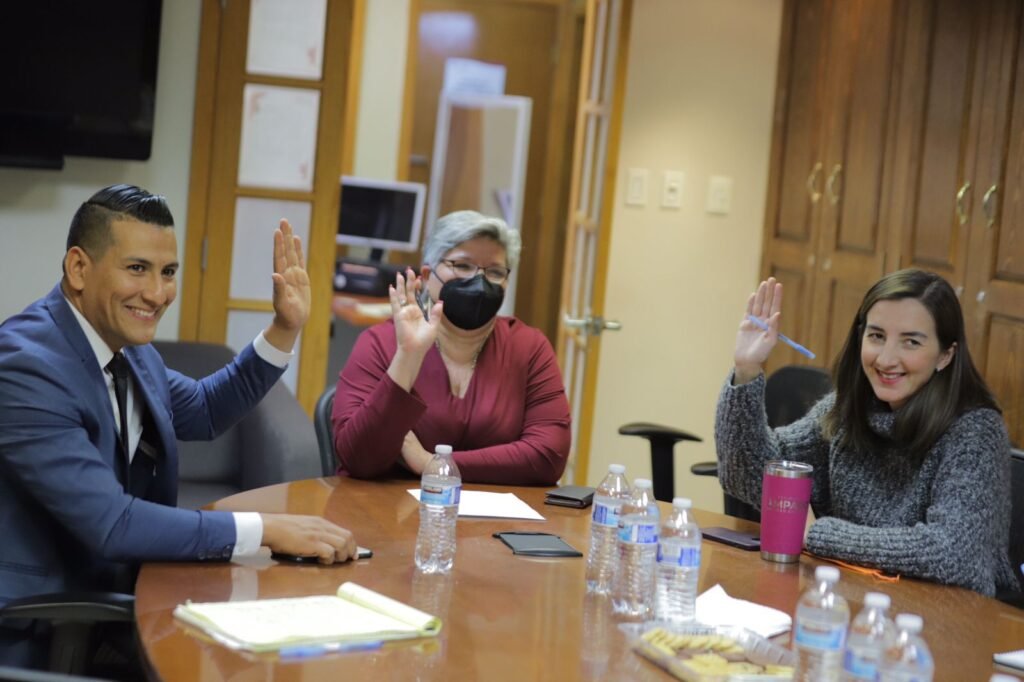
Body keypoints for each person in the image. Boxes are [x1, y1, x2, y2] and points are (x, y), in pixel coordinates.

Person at [0, 185, 357, 666]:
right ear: (79, 268)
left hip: (119, 600)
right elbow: (112, 523)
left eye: (168, 272)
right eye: (137, 268)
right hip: (36, 630)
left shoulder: (129, 349)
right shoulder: (26, 365)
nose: (157, 293)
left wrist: (284, 328)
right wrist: (264, 529)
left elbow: (205, 410)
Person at [715, 269, 1018, 596]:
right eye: (876, 336)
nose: (886, 359)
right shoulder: (848, 409)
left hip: (948, 614)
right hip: (851, 600)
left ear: (946, 355)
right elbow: (750, 476)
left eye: (911, 342)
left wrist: (818, 535)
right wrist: (747, 370)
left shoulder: (976, 431)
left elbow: (954, 554)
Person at [332, 210, 571, 485]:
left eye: (494, 271)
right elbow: (358, 459)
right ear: (427, 275)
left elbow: (548, 456)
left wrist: (430, 463)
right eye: (463, 266)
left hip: (494, 509)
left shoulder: (529, 347)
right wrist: (408, 357)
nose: (479, 281)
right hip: (387, 507)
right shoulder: (381, 342)